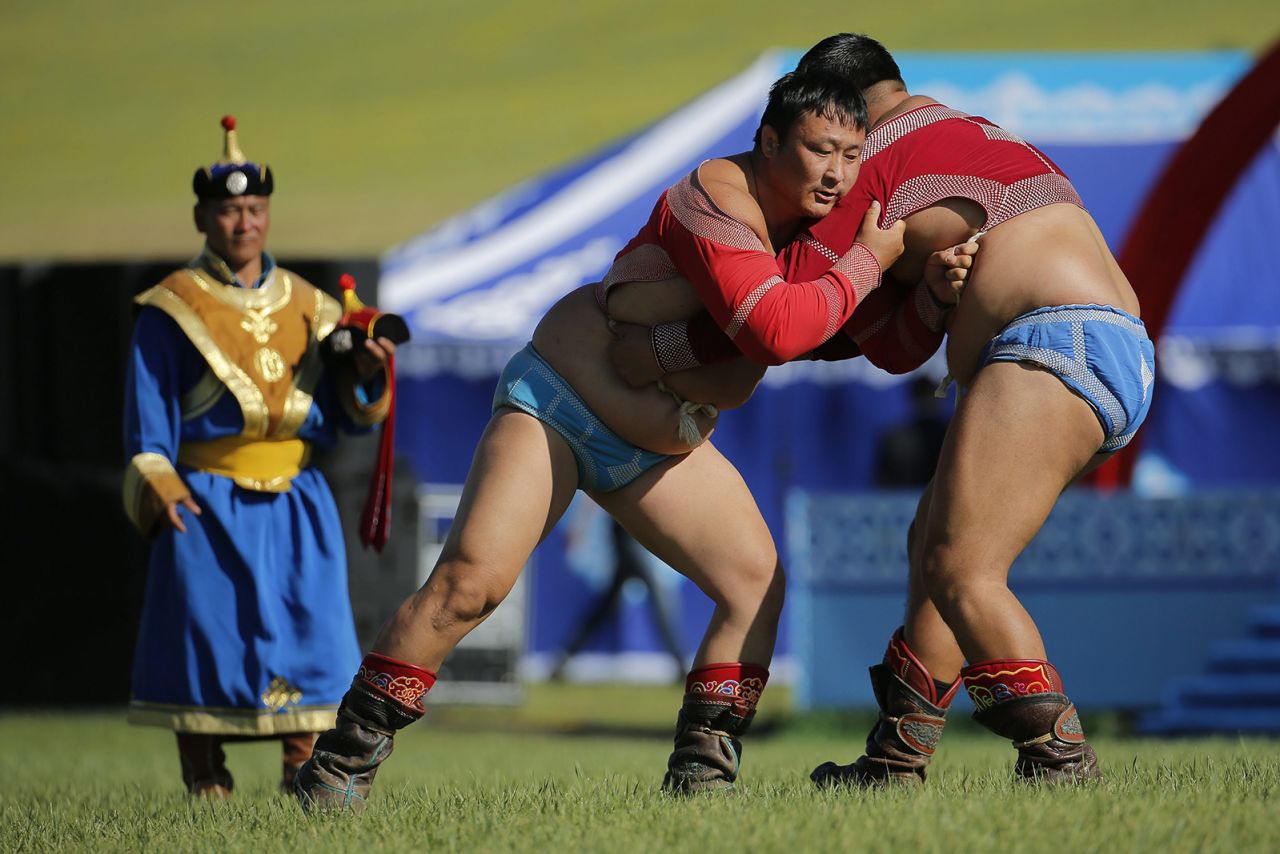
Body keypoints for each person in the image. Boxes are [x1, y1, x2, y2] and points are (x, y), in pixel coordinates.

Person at [293, 71, 906, 810]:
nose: (837, 172)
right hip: (561, 401)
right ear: (770, 141)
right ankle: (335, 769)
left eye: (850, 153)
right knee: (468, 587)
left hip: (657, 445)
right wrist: (866, 266)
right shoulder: (717, 194)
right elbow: (775, 329)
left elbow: (816, 337)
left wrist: (931, 281)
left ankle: (700, 786)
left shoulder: (823, 230)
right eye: (819, 150)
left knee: (753, 585)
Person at [626, 33, 1154, 786]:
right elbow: (889, 347)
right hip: (1113, 349)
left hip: (1052, 342)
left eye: (835, 129)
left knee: (963, 568)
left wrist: (662, 348)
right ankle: (896, 760)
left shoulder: (874, 157)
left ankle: (1061, 760)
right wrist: (934, 293)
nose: (830, 160)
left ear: (850, 108)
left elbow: (779, 320)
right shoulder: (968, 131)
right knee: (931, 545)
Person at [122, 116, 397, 798]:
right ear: (202, 217)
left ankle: (301, 779)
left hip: (297, 503)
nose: (242, 222)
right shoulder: (171, 309)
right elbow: (146, 415)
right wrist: (158, 482)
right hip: (208, 501)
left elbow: (347, 416)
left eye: (253, 208)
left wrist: (368, 371)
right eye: (227, 210)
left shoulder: (312, 306)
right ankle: (205, 783)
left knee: (308, 638)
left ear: (267, 213)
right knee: (208, 641)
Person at [874, 376, 950, 488]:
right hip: (941, 500)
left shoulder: (895, 437)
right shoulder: (953, 434)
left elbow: (883, 483)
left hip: (904, 501)